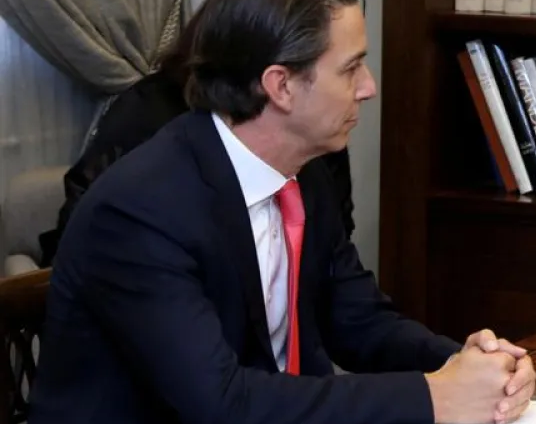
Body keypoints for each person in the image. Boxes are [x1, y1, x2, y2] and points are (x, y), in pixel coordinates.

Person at [15, 0, 536, 424]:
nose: (368, 88)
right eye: (351, 69)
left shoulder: (305, 172)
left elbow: (358, 321)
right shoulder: (142, 210)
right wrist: (435, 395)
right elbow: (222, 405)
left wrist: (471, 366)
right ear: (281, 85)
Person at [39, 23, 355, 266]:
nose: (366, 88)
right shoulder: (149, 116)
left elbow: (335, 257)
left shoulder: (314, 144)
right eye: (349, 70)